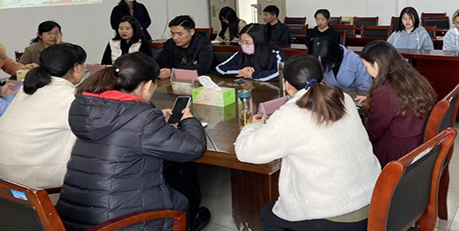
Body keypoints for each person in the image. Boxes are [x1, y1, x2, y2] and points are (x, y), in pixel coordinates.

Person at [56, 52, 210, 231]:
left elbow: (123, 129)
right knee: (181, 195)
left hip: (72, 217)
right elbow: (193, 147)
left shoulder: (89, 106)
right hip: (118, 222)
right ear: (148, 85)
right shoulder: (142, 119)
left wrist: (155, 118)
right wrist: (189, 120)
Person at [235, 55, 381, 231]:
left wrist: (252, 127)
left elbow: (245, 151)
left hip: (337, 216)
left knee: (267, 215)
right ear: (322, 79)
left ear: (288, 85)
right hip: (374, 200)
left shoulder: (292, 114)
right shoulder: (344, 99)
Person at [0, 43, 86, 194]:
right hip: (38, 188)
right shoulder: (70, 98)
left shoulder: (28, 89)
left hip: (6, 179)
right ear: (76, 68)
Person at [360, 41, 436, 167]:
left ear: (377, 64)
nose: (367, 71)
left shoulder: (384, 93)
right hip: (417, 144)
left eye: (366, 66)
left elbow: (373, 132)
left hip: (396, 153)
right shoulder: (413, 78)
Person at [215, 23, 285, 81]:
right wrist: (240, 71)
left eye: (247, 42)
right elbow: (219, 69)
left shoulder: (275, 54)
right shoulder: (241, 53)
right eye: (241, 42)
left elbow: (281, 73)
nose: (244, 45)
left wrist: (253, 75)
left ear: (259, 41)